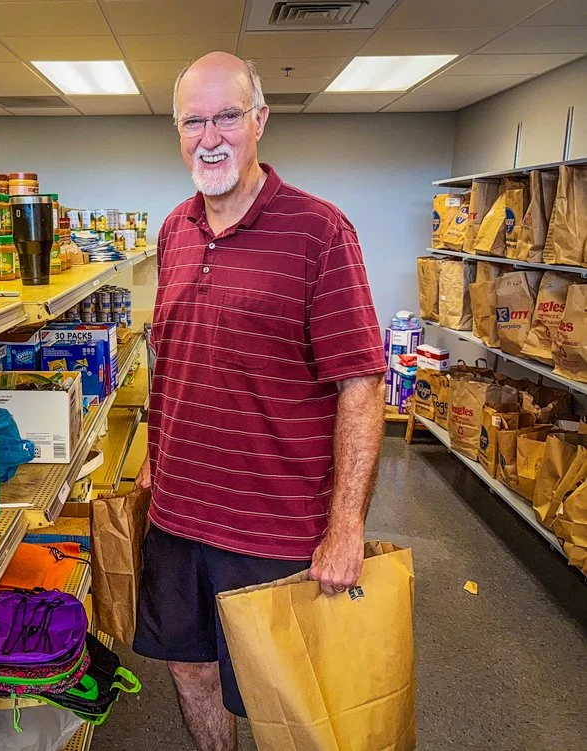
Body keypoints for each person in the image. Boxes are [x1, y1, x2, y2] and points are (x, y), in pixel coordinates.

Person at [132, 52, 387, 751]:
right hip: (179, 520)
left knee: (284, 695)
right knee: (190, 671)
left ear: (259, 121)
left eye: (227, 116)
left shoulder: (319, 232)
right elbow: (175, 355)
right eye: (193, 120)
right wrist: (156, 460)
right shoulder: (174, 231)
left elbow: (361, 384)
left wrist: (345, 526)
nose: (209, 136)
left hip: (277, 528)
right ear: (177, 130)